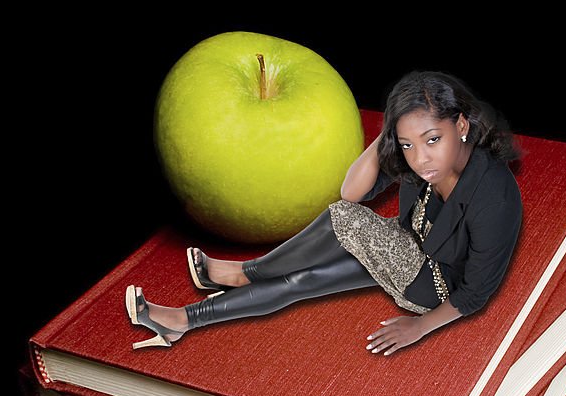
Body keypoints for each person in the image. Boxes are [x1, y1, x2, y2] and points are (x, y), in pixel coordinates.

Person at [126, 70, 523, 355]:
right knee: (302, 281)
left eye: (432, 139)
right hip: (406, 245)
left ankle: (246, 271)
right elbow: (352, 190)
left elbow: (475, 293)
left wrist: (420, 327)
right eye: (407, 145)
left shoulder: (495, 196)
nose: (420, 160)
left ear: (461, 125)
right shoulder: (417, 155)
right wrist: (391, 135)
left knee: (345, 219)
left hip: (435, 285)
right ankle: (180, 320)